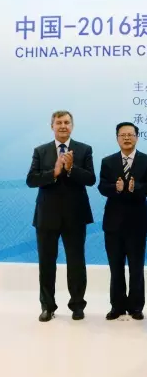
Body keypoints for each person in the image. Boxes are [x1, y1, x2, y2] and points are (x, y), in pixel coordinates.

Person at [26, 110, 95, 322]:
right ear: (52, 126)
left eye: (67, 122)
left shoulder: (84, 149)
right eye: (59, 123)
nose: (63, 126)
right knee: (46, 263)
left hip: (75, 216)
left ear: (72, 126)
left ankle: (77, 305)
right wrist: (54, 173)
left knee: (76, 263)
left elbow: (91, 179)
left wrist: (71, 168)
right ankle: (47, 306)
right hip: (47, 216)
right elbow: (31, 180)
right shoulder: (41, 151)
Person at [98, 122, 147, 320]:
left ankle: (136, 307)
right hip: (113, 223)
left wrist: (135, 188)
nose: (126, 138)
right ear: (117, 138)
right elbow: (102, 187)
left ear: (137, 137)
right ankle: (117, 306)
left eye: (130, 135)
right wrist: (114, 188)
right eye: (122, 135)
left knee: (136, 267)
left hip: (137, 222)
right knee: (115, 267)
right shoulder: (108, 161)